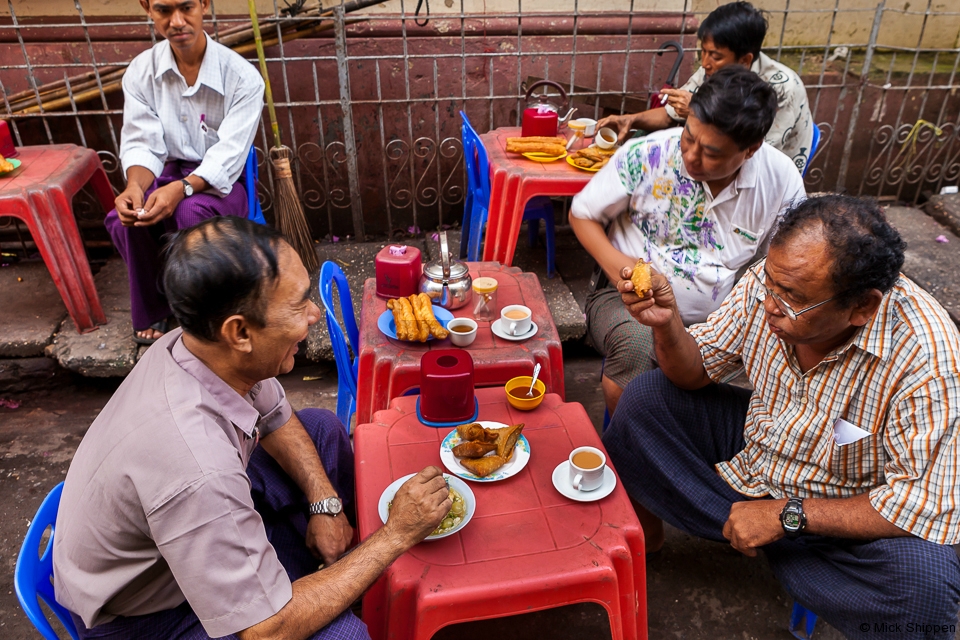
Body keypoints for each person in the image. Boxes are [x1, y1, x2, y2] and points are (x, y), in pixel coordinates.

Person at [54, 217, 452, 640]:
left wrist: (325, 503)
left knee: (320, 428)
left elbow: (277, 417)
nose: (315, 314)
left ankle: (329, 571)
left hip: (173, 538)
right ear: (240, 332)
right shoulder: (196, 466)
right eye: (299, 305)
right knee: (343, 636)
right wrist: (396, 536)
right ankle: (327, 586)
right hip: (146, 618)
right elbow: (265, 631)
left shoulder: (195, 347)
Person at [605, 195, 960, 637]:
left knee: (925, 593)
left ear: (861, 308)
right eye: (771, 283)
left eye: (792, 298)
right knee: (645, 400)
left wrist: (786, 516)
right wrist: (666, 322)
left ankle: (786, 542)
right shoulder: (772, 283)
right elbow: (695, 373)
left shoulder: (928, 355)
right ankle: (756, 533)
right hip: (763, 453)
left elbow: (922, 502)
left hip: (848, 502)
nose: (771, 303)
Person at [570, 66, 805, 415]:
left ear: (751, 148)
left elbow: (792, 258)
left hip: (720, 316)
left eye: (712, 153)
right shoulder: (647, 154)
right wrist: (627, 271)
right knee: (635, 348)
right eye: (689, 138)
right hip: (626, 300)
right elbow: (582, 214)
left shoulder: (780, 180)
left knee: (792, 354)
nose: (692, 157)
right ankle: (627, 455)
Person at [108, 0, 265, 345]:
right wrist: (134, 186)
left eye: (186, 7)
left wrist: (183, 187)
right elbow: (142, 143)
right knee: (130, 215)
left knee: (191, 210)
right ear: (147, 8)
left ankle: (208, 308)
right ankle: (160, 306)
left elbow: (229, 155)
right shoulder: (141, 71)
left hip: (221, 182)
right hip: (165, 174)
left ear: (204, 4)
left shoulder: (241, 77)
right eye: (164, 10)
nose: (177, 21)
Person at [598, 1, 814, 173]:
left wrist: (697, 109)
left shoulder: (781, 88)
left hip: (762, 177)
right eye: (704, 51)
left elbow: (754, 153)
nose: (705, 63)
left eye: (716, 56)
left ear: (744, 60)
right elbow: (669, 114)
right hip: (723, 164)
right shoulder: (713, 70)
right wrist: (631, 119)